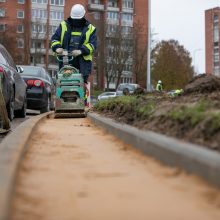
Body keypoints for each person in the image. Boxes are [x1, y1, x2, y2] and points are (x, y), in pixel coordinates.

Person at [50, 4, 97, 84]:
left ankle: (83, 95)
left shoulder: (90, 28)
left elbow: (93, 45)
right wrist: (57, 48)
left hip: (83, 65)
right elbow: (55, 39)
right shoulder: (63, 25)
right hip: (65, 62)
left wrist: (81, 51)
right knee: (64, 84)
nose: (76, 21)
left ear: (83, 16)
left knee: (81, 86)